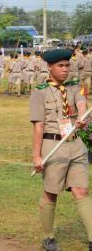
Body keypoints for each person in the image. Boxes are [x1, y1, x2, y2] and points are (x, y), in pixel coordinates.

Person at [29, 49, 92, 251]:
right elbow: (38, 126)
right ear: (50, 67)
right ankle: (48, 237)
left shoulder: (74, 87)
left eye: (67, 65)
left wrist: (82, 116)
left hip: (76, 144)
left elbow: (82, 103)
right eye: (60, 66)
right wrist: (37, 156)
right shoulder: (40, 92)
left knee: (82, 190)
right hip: (52, 146)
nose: (65, 70)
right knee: (51, 193)